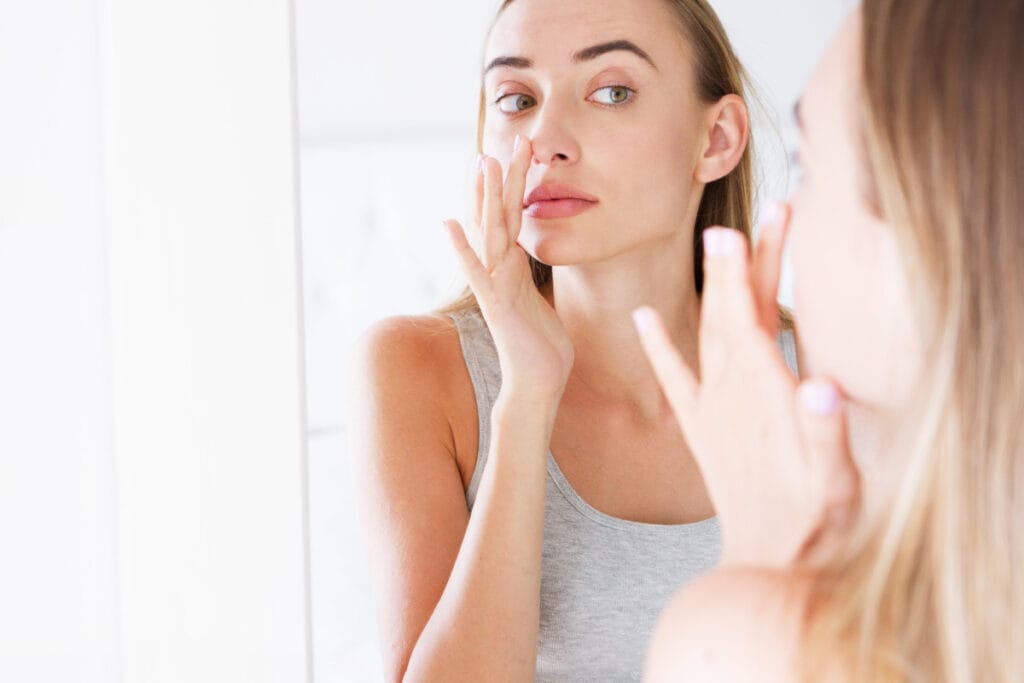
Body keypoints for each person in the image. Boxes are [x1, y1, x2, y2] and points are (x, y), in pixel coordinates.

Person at [347, 0, 797, 679]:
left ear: (717, 139)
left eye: (612, 91)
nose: (546, 139)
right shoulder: (417, 371)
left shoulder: (816, 371)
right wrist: (527, 396)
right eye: (517, 98)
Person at [638, 0, 1024, 681]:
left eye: (808, 164)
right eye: (516, 99)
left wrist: (765, 562)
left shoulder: (751, 641)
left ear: (931, 232)